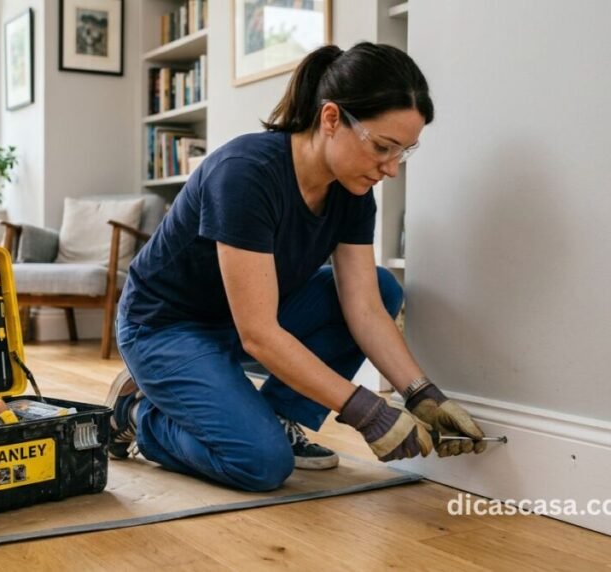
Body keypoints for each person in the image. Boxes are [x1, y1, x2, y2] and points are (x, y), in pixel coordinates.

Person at [107, 42, 486, 492]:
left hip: (247, 318)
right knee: (261, 464)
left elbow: (364, 307)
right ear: (330, 119)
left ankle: (280, 416)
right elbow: (260, 334)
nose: (391, 169)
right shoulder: (245, 173)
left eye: (403, 152)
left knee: (383, 289)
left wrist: (422, 395)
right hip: (166, 328)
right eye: (383, 147)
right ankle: (137, 413)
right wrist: (366, 411)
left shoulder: (353, 191)